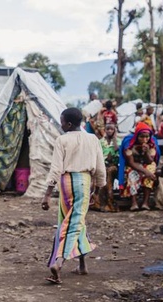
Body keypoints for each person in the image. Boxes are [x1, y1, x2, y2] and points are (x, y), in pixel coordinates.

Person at [41, 107, 106, 284]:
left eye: (62, 122)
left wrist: (47, 195)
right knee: (74, 222)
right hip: (83, 182)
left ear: (69, 124)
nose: (61, 124)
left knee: (72, 221)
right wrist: (97, 190)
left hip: (65, 183)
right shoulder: (92, 139)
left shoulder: (62, 140)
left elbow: (55, 169)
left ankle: (82, 265)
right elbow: (100, 168)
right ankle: (59, 262)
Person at [119, 122, 159, 211]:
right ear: (137, 136)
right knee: (132, 174)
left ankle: (146, 202)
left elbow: (150, 161)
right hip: (134, 165)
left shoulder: (151, 144)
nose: (144, 139)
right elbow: (131, 162)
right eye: (142, 137)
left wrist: (146, 152)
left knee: (150, 170)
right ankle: (134, 202)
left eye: (147, 137)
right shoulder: (129, 145)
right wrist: (145, 171)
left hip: (146, 164)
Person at [91, 123, 120, 212]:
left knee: (108, 172)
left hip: (113, 165)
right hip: (102, 165)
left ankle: (109, 203)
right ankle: (99, 203)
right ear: (105, 130)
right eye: (108, 129)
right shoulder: (100, 142)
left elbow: (117, 150)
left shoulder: (118, 141)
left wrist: (114, 138)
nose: (109, 131)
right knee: (102, 173)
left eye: (112, 129)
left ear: (114, 130)